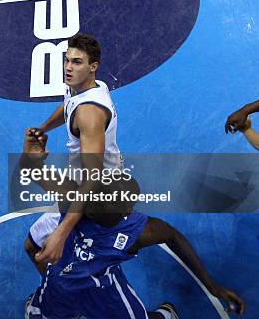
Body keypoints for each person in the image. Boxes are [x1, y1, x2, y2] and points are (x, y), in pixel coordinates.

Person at [22, 132, 246, 318]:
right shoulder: (137, 231)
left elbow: (31, 169)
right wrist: (211, 285)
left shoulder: (71, 197)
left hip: (98, 289)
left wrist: (30, 155)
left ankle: (164, 315)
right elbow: (172, 236)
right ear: (126, 213)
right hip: (66, 285)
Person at [25, 33, 122, 274]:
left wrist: (62, 230)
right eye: (67, 61)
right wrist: (43, 128)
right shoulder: (85, 86)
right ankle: (56, 289)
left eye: (76, 62)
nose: (68, 68)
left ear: (93, 67)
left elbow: (93, 179)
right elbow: (68, 105)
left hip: (97, 194)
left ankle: (61, 294)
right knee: (33, 247)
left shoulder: (89, 113)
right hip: (81, 182)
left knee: (42, 251)